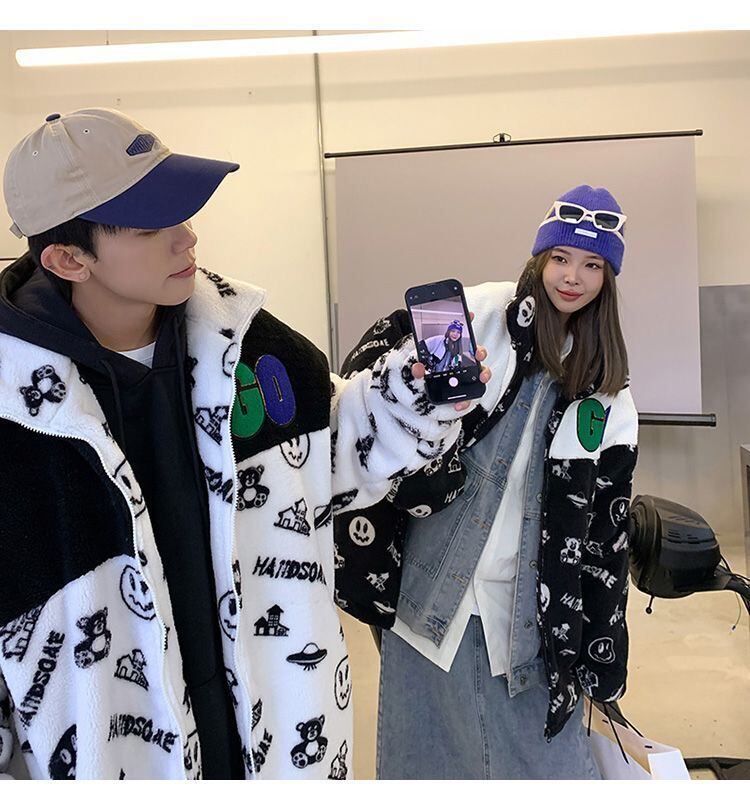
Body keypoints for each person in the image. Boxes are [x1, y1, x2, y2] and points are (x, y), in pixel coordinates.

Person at [0, 108, 491, 780]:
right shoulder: (15, 418)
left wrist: (413, 398)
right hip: (116, 753)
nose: (188, 236)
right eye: (151, 226)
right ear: (67, 258)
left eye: (182, 212)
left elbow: (331, 458)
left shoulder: (250, 343)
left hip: (273, 729)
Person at [335, 185, 639, 779]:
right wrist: (427, 411)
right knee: (425, 766)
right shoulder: (480, 313)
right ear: (540, 258)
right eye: (560, 258)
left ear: (608, 278)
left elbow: (607, 528)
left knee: (544, 767)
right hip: (433, 591)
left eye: (592, 265)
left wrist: (602, 654)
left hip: (529, 612)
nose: (572, 277)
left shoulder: (608, 382)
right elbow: (368, 387)